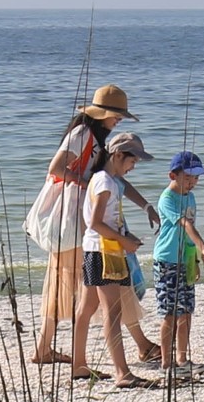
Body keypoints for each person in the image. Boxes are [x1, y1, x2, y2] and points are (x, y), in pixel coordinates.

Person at [32, 84, 162, 365]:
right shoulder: (82, 134)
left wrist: (147, 206)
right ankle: (142, 345)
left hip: (83, 221)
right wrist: (89, 183)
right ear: (102, 113)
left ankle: (44, 349)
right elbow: (56, 168)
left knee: (73, 283)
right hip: (76, 220)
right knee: (102, 280)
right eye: (117, 116)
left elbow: (115, 178)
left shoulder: (98, 140)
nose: (119, 121)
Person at [72, 132, 160, 388]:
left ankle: (79, 365)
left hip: (95, 249)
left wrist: (126, 236)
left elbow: (104, 223)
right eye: (132, 162)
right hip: (104, 252)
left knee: (87, 308)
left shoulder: (105, 179)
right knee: (112, 311)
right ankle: (122, 373)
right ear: (118, 155)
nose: (133, 168)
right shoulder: (106, 182)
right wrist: (123, 242)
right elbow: (96, 222)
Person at [153, 151, 204, 370]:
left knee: (186, 311)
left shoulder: (191, 197)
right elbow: (186, 225)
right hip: (167, 261)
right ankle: (166, 361)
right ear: (173, 175)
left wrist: (195, 260)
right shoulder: (167, 198)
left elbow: (190, 233)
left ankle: (182, 357)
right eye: (188, 178)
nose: (193, 182)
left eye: (196, 178)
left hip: (186, 259)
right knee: (169, 313)